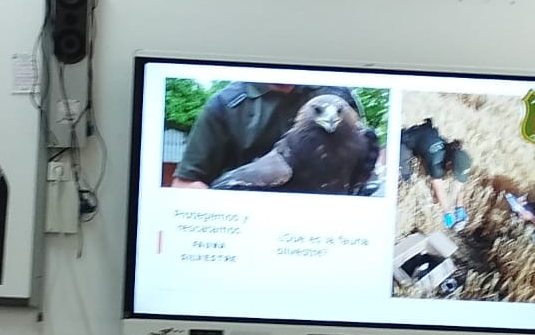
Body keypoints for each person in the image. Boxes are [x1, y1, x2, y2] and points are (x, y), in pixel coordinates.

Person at [173, 80, 355, 188]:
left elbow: (362, 167)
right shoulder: (225, 105)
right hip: (252, 218)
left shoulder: (336, 97)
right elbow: (185, 184)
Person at [398, 117, 472, 228]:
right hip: (407, 140)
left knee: (435, 191)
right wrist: (447, 213)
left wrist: (459, 207)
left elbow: (459, 184)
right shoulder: (436, 161)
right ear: (449, 164)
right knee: (406, 178)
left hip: (426, 135)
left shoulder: (457, 155)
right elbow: (439, 189)